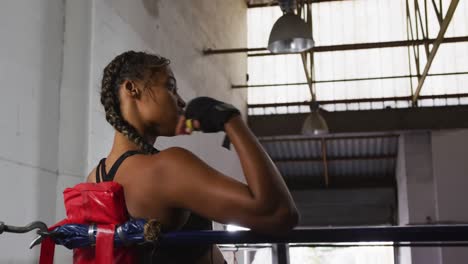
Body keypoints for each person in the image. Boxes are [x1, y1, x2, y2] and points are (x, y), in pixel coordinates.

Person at [86, 51, 299, 263]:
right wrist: (232, 121)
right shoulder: (165, 168)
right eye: (170, 87)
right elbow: (278, 214)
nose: (181, 101)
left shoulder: (95, 178)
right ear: (132, 89)